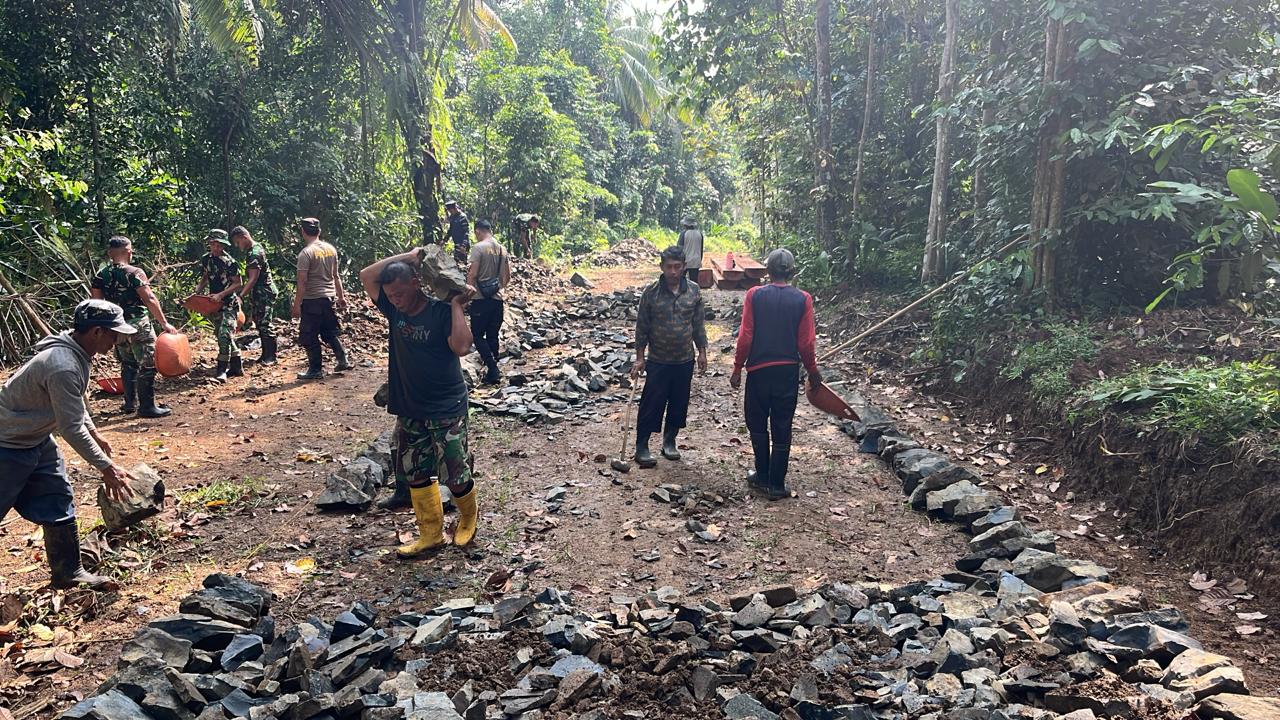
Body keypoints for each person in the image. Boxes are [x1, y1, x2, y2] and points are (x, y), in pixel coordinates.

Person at [0, 299, 136, 591]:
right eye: (114, 334)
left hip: (36, 438)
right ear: (97, 331)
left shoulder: (76, 354)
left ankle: (68, 572)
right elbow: (70, 427)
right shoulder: (62, 365)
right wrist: (106, 467)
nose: (116, 341)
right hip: (7, 443)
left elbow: (73, 404)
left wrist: (95, 433)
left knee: (57, 497)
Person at [358, 249, 478, 557]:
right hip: (411, 406)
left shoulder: (440, 311)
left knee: (455, 472)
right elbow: (366, 275)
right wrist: (410, 255)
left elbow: (462, 347)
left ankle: (468, 519)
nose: (395, 300)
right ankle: (430, 534)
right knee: (415, 472)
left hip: (446, 405)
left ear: (415, 283)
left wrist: (456, 306)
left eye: (400, 293)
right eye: (390, 295)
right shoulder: (393, 310)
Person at [730, 248, 820, 500]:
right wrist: (812, 370)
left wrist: (737, 367)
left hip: (758, 372)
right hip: (786, 373)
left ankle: (762, 476)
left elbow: (746, 336)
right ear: (792, 272)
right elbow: (806, 343)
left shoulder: (754, 295)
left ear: (767, 271)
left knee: (757, 424)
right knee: (782, 424)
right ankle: (777, 484)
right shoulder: (803, 299)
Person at [631, 246, 708, 468]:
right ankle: (642, 446)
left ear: (684, 267)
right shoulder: (651, 293)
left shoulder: (693, 291)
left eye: (677, 267)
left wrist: (702, 352)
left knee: (678, 402)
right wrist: (640, 357)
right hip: (658, 359)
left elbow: (698, 325)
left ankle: (669, 441)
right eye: (668, 267)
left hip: (684, 359)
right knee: (651, 403)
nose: (673, 272)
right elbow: (642, 327)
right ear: (661, 267)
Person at [89, 236, 178, 418]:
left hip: (116, 327)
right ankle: (147, 407)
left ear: (110, 253)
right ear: (128, 252)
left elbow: (97, 303)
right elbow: (149, 298)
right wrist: (164, 323)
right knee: (148, 363)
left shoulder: (100, 275)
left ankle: (130, 403)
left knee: (128, 363)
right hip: (138, 324)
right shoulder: (135, 272)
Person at [292, 217, 351, 380]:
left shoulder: (306, 253)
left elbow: (302, 282)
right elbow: (336, 276)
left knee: (309, 335)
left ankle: (315, 370)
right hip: (328, 298)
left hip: (312, 300)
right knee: (329, 331)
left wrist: (296, 305)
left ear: (303, 232)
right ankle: (343, 360)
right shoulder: (331, 249)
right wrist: (341, 296)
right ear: (319, 231)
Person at [194, 229, 244, 382]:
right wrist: (196, 292)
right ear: (209, 244)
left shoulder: (230, 262)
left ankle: (221, 370)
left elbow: (238, 283)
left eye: (220, 245)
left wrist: (221, 294)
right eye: (214, 244)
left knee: (224, 335)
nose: (216, 248)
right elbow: (205, 276)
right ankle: (237, 366)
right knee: (221, 334)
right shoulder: (206, 259)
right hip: (214, 304)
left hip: (229, 304)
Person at [466, 219, 511, 386]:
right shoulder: (502, 249)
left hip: (480, 300)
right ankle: (493, 371)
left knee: (477, 335)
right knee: (492, 335)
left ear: (477, 231)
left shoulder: (478, 248)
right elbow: (507, 277)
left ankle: (493, 368)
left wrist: (466, 297)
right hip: (497, 300)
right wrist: (497, 288)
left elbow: (472, 275)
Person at [230, 226, 279, 365]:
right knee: (259, 322)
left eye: (238, 242)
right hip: (259, 292)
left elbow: (253, 278)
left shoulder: (255, 253)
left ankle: (271, 357)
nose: (238, 246)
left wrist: (241, 296)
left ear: (244, 237)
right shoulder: (253, 249)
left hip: (264, 292)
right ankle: (265, 355)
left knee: (265, 324)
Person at [677, 216, 704, 285]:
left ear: (685, 225)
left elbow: (679, 249)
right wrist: (700, 260)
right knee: (694, 282)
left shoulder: (683, 234)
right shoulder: (700, 234)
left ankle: (682, 290)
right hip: (696, 261)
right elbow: (701, 249)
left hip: (685, 261)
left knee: (681, 280)